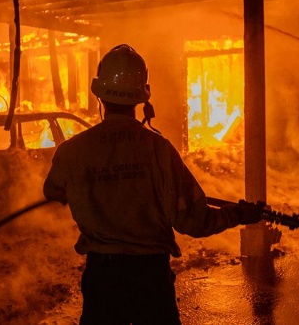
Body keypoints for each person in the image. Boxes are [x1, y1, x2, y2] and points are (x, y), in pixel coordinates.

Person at [43, 44, 262, 325]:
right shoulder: (158, 150)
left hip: (103, 279)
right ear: (142, 97)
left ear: (99, 93)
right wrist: (237, 215)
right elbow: (193, 221)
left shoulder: (73, 151)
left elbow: (52, 191)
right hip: (150, 278)